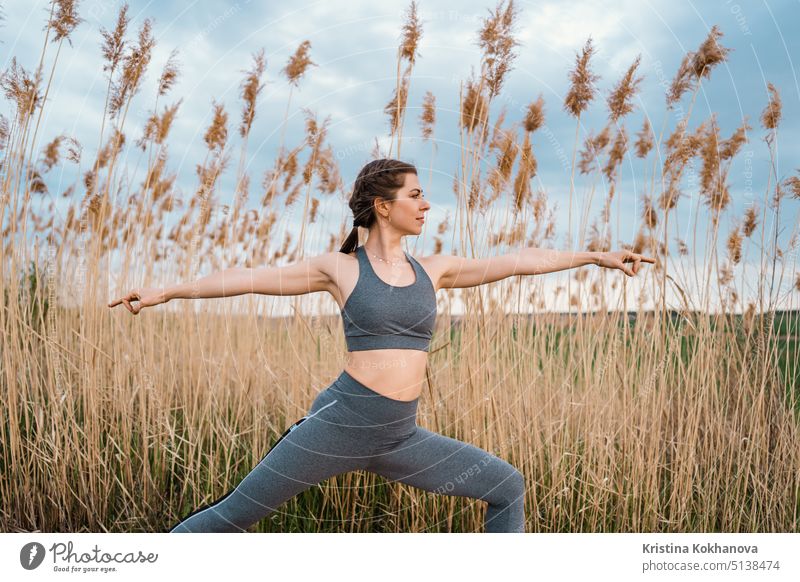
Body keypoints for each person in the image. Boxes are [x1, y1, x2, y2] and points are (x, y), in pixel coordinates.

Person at [108, 158, 655, 533]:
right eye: (415, 195)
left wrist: (596, 256)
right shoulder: (339, 269)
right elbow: (250, 277)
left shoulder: (434, 270)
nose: (426, 204)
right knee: (230, 518)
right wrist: (165, 291)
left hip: (398, 437)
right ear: (383, 205)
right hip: (338, 429)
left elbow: (518, 260)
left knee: (506, 487)